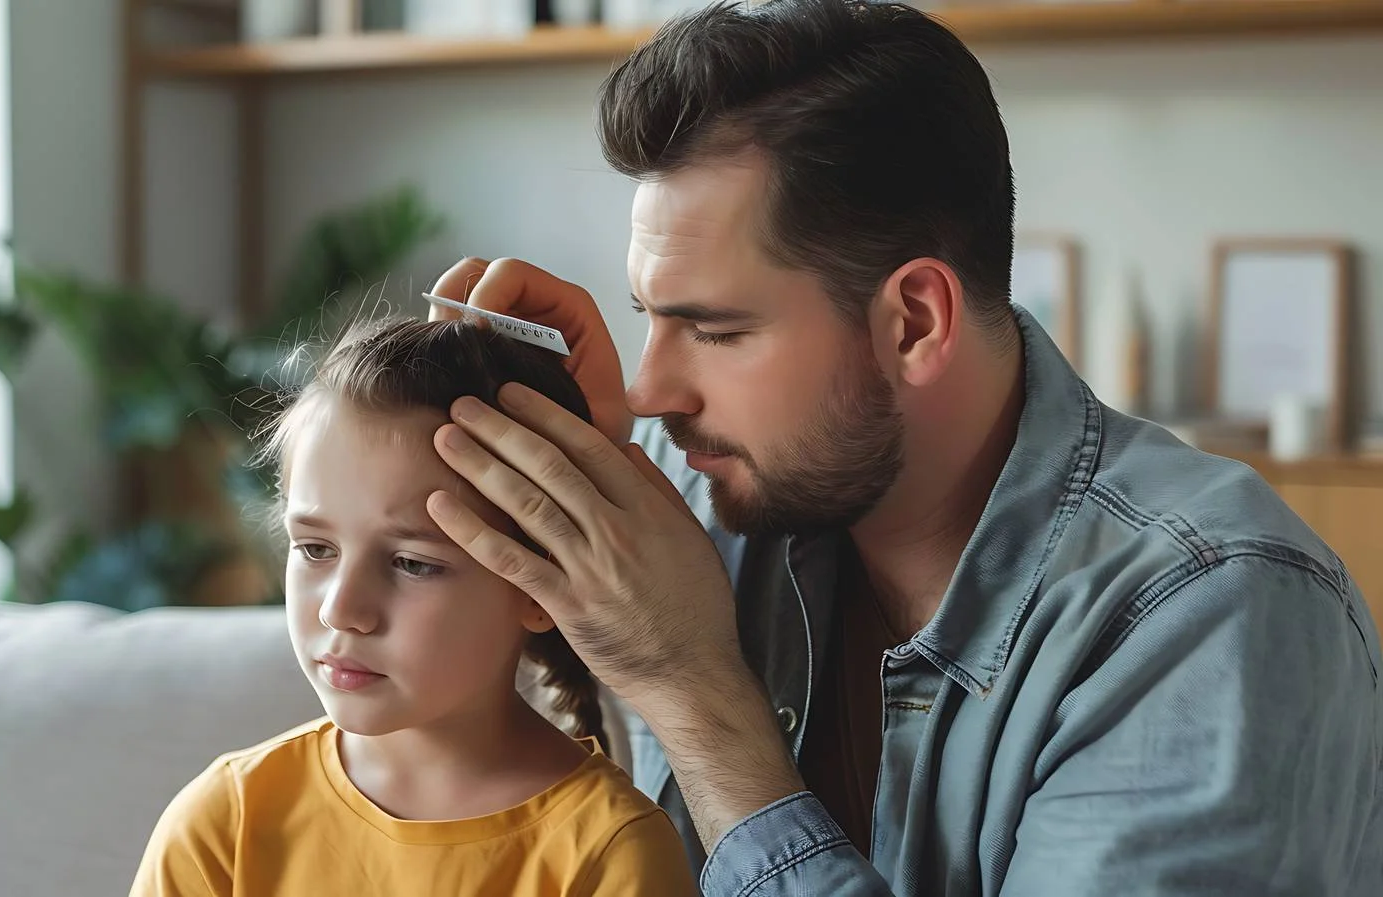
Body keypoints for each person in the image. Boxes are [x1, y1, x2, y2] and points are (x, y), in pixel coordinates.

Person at [419, 2, 1383, 895]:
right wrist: (561, 447)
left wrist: (693, 691)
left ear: (916, 321)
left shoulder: (1210, 613)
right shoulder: (709, 484)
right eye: (648, 316)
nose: (650, 389)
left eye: (714, 330)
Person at [129, 318, 697, 896]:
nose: (342, 610)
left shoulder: (610, 854)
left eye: (413, 563)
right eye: (315, 549)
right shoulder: (226, 824)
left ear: (541, 584)